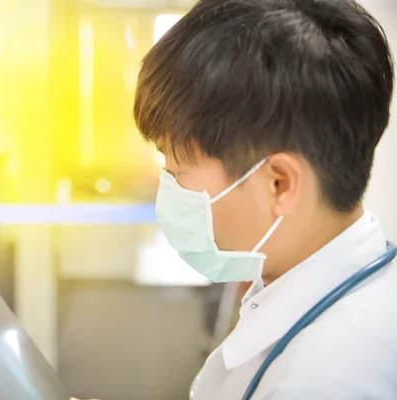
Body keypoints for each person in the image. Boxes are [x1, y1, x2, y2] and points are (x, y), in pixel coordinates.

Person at [76, 0, 395, 398]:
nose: (168, 190)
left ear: (279, 184)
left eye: (179, 172)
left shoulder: (323, 380)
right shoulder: (335, 284)